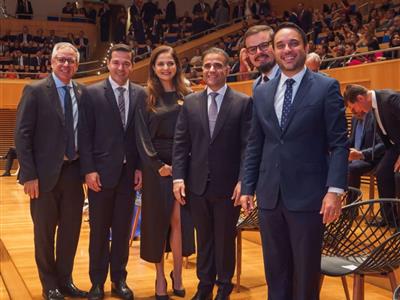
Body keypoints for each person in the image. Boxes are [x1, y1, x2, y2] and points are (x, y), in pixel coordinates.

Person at [240, 22, 348, 300]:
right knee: (276, 272)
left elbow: (338, 144)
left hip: (309, 197)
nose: (287, 50)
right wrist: (248, 186)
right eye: (281, 45)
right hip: (269, 197)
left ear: (306, 47)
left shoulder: (326, 87)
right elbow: (256, 143)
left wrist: (334, 191)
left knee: (304, 274)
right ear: (274, 51)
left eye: (293, 44)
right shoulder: (262, 91)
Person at [172, 47, 252, 300]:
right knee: (204, 238)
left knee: (224, 239)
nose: (211, 70)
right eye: (207, 66)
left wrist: (243, 180)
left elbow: (247, 146)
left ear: (227, 69)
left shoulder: (242, 102)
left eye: (217, 65)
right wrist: (178, 177)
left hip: (229, 187)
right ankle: (204, 285)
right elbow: (181, 144)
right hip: (197, 185)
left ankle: (224, 286)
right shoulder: (191, 102)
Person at [15, 42, 87, 300]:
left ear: (77, 65)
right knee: (44, 233)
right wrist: (29, 175)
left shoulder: (82, 92)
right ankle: (49, 285)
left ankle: (65, 281)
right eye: (61, 60)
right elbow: (22, 135)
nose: (66, 64)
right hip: (43, 177)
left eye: (71, 60)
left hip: (73, 173)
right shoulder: (34, 91)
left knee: (70, 231)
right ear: (52, 63)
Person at [79, 44, 144, 300]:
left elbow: (141, 137)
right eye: (116, 62)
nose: (121, 67)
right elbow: (84, 136)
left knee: (121, 232)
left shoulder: (141, 94)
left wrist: (139, 166)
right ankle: (97, 282)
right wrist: (89, 170)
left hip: (128, 176)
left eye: (126, 63)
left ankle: (119, 280)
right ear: (109, 63)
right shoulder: (92, 93)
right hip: (100, 177)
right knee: (98, 232)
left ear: (132, 65)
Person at [135, 45, 195, 299]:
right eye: (160, 64)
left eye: (170, 63)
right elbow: (141, 136)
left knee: (178, 222)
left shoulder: (189, 95)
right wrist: (157, 165)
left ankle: (178, 274)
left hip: (182, 165)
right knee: (157, 222)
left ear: (176, 66)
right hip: (155, 167)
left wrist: (182, 165)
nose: (166, 68)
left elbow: (194, 133)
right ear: (153, 67)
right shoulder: (145, 95)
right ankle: (159, 275)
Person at [344, 84, 400, 227]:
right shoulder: (373, 107)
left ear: (360, 98)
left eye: (353, 107)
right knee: (382, 172)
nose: (355, 112)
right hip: (393, 148)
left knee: (397, 176)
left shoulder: (389, 99)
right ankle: (390, 219)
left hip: (396, 148)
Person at [348, 111, 385, 189]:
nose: (351, 110)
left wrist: (361, 154)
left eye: (353, 107)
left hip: (371, 159)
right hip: (354, 158)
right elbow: (351, 141)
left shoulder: (374, 118)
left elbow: (382, 145)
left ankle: (352, 200)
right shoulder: (354, 118)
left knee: (352, 168)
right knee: (334, 162)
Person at [239, 25, 280, 91]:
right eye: (252, 49)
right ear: (248, 54)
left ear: (275, 45)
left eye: (264, 45)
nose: (258, 52)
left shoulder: (290, 77)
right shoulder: (256, 86)